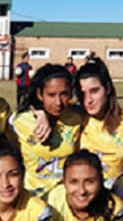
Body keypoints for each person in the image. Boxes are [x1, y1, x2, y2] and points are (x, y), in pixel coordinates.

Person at [9, 64, 82, 196]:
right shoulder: (19, 122)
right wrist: (38, 112)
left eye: (64, 94)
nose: (58, 102)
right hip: (32, 198)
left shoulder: (79, 117)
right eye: (51, 95)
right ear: (40, 94)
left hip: (67, 199)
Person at [75, 58, 123, 187]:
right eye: (83, 94)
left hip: (114, 191)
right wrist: (41, 115)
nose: (88, 100)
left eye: (94, 91)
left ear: (107, 88)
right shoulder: (73, 116)